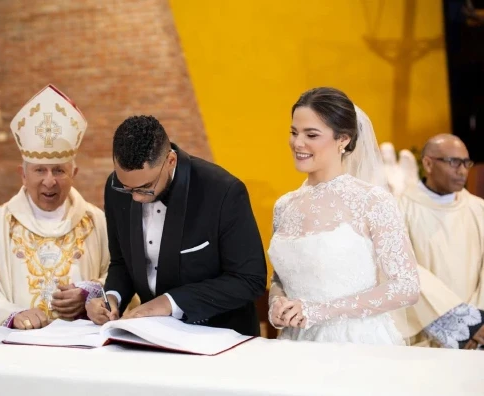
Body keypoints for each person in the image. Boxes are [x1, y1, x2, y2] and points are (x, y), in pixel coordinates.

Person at [85, 115, 267, 336]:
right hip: (152, 339)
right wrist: (111, 297)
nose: (136, 199)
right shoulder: (115, 188)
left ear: (171, 161)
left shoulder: (223, 191)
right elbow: (122, 262)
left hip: (220, 337)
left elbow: (249, 279)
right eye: (127, 188)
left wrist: (170, 302)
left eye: (145, 187)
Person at [268, 87, 420, 345]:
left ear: (343, 140)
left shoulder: (372, 201)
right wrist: (276, 302)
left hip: (354, 341)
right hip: (295, 341)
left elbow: (406, 287)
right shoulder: (284, 205)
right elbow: (279, 278)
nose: (297, 143)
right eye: (294, 132)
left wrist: (319, 311)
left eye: (311, 134)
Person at [0, 85, 109, 333]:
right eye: (40, 170)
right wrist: (12, 315)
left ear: (74, 174)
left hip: (82, 348)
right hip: (18, 348)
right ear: (23, 175)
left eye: (59, 170)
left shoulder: (96, 221)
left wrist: (88, 295)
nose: (49, 181)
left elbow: (119, 282)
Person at [398, 134, 484, 349]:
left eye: (466, 163)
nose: (463, 170)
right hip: (426, 334)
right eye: (453, 162)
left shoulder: (479, 209)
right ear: (427, 163)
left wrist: (477, 324)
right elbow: (402, 268)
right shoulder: (399, 208)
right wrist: (462, 327)